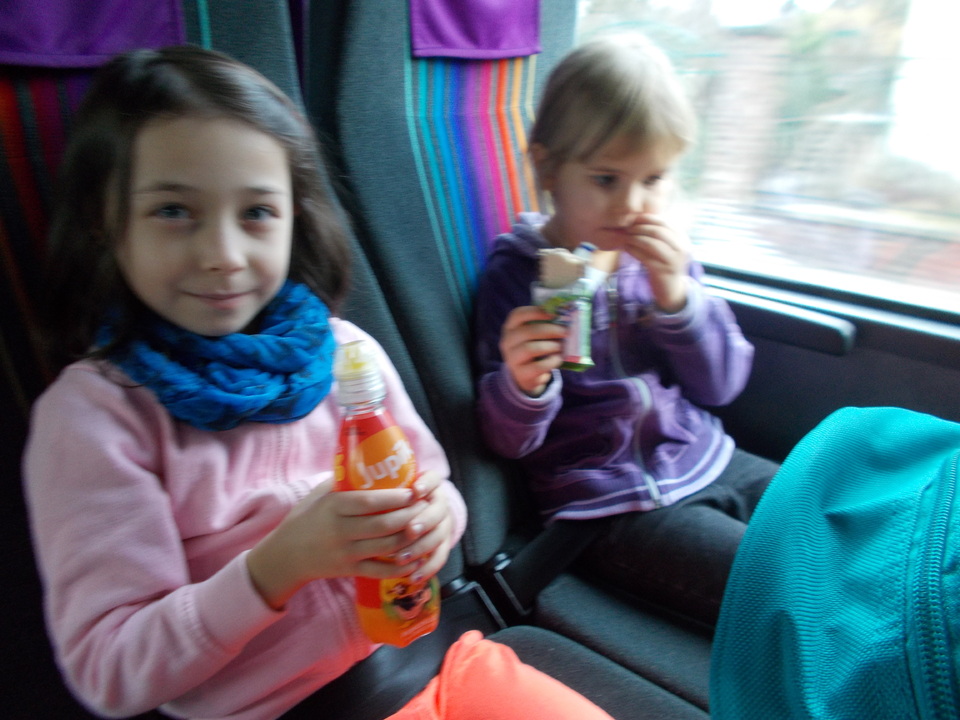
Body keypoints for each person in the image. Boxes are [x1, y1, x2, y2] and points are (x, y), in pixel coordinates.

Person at [22, 46, 613, 720]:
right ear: (105, 221)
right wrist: (275, 568)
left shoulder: (345, 353)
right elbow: (111, 671)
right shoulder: (98, 417)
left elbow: (437, 488)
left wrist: (434, 522)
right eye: (174, 211)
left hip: (427, 658)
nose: (223, 255)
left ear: (294, 219)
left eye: (256, 213)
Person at [473, 33, 780, 626]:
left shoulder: (663, 263)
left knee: (834, 517)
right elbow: (508, 442)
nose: (633, 205)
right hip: (607, 504)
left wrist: (679, 302)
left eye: (654, 179)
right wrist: (523, 385)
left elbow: (721, 386)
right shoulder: (516, 275)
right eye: (607, 179)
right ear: (548, 168)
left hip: (705, 454)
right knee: (779, 581)